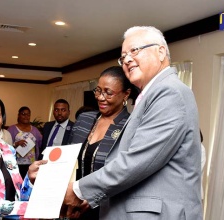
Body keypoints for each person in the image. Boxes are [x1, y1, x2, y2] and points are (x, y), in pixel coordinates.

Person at [63, 26, 202, 220]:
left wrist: (78, 190)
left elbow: (138, 161)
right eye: (123, 56)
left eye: (134, 50)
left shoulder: (169, 92)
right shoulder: (150, 95)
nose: (127, 59)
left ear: (161, 52)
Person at [68, 66, 135, 220]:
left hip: (109, 208)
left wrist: (92, 198)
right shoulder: (84, 119)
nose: (100, 97)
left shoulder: (130, 126)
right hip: (74, 206)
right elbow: (68, 160)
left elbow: (125, 174)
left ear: (126, 94)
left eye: (108, 93)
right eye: (98, 90)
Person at [7, 106, 42, 179]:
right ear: (18, 115)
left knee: (30, 184)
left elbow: (40, 144)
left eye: (28, 114)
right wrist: (16, 144)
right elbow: (5, 146)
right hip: (16, 164)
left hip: (32, 164)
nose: (26, 116)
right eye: (23, 114)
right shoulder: (11, 129)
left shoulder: (35, 130)